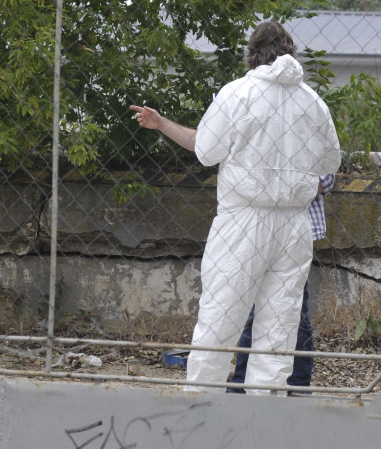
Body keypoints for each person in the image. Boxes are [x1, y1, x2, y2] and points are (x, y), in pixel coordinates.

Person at [158, 21, 340, 394]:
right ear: (291, 51)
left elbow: (207, 151)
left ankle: (199, 409)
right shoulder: (312, 101)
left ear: (252, 53)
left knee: (221, 318)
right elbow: (330, 161)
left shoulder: (237, 94)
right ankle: (264, 420)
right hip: (294, 224)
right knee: (279, 329)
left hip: (244, 219)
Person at [127, 104, 337, 393]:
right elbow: (205, 142)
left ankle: (295, 389)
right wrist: (161, 124)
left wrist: (273, 182)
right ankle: (240, 387)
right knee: (239, 312)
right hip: (246, 234)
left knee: (287, 316)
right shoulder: (245, 105)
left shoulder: (304, 109)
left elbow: (326, 177)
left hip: (289, 237)